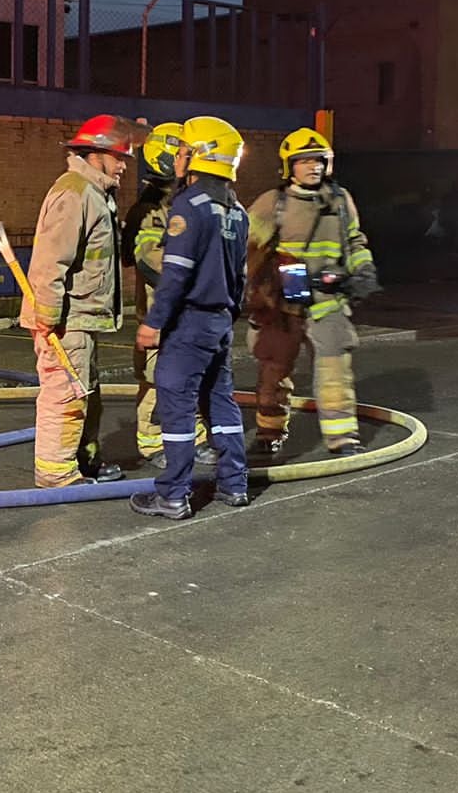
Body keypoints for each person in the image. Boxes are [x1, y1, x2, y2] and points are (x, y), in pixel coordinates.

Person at [130, 116, 250, 520]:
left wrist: (154, 322)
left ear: (198, 156)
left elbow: (175, 273)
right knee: (222, 403)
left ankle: (172, 495)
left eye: (183, 151)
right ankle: (235, 485)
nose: (178, 158)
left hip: (190, 323)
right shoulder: (237, 211)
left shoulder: (189, 206)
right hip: (221, 323)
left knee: (177, 404)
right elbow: (240, 277)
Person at [243, 127, 379, 459]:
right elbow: (246, 248)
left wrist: (363, 269)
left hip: (328, 302)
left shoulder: (340, 201)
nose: (313, 167)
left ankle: (342, 437)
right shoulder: (272, 203)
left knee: (335, 372)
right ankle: (268, 434)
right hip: (283, 305)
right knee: (274, 372)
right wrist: (254, 292)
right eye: (303, 161)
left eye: (318, 161)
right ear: (289, 166)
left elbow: (355, 241)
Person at [24, 114, 144, 488]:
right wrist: (47, 319)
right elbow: (49, 263)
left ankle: (85, 461)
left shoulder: (96, 194)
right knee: (66, 395)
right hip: (65, 321)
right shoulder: (75, 192)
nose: (124, 165)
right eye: (119, 156)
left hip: (82, 319)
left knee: (87, 393)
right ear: (97, 154)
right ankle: (56, 473)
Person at [121, 122, 216, 469]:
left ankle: (197, 436)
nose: (188, 160)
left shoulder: (189, 200)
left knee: (193, 376)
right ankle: (151, 442)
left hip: (191, 312)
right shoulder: (149, 210)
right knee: (156, 380)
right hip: (161, 314)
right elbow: (148, 259)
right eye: (182, 153)